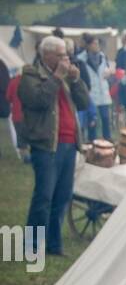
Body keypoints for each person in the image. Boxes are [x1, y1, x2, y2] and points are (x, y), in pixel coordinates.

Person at [20, 34, 90, 255]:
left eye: (66, 55)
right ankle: (32, 246)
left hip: (70, 144)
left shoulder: (67, 77)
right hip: (47, 145)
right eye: (60, 55)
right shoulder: (31, 76)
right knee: (44, 197)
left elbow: (84, 103)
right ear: (47, 55)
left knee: (62, 197)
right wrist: (57, 77)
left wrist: (76, 80)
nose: (65, 59)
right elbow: (39, 101)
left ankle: (53, 245)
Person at [76, 34, 114, 140]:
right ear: (88, 45)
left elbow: (108, 71)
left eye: (98, 43)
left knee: (106, 119)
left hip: (103, 93)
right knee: (92, 120)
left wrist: (109, 74)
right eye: (94, 43)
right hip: (90, 93)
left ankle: (107, 141)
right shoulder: (81, 59)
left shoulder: (103, 57)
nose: (97, 45)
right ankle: (92, 142)